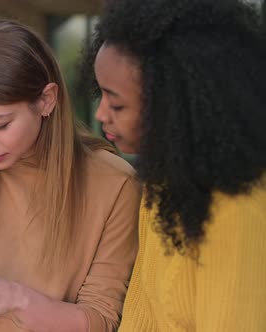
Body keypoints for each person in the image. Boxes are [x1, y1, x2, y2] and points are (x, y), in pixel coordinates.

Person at [0, 20, 141, 331]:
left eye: (0, 124)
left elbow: (100, 320)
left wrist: (15, 298)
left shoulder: (114, 184)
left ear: (46, 100)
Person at [78, 0, 266, 330]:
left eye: (117, 104)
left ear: (173, 105)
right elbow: (141, 314)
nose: (101, 115)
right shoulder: (162, 181)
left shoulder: (241, 207)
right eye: (101, 96)